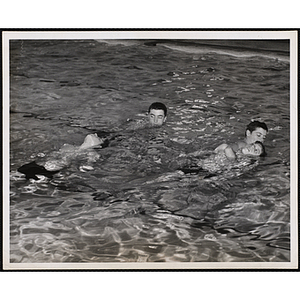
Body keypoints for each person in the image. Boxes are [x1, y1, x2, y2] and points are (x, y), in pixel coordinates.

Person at [80, 102, 168, 149]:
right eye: (152, 116)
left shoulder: (139, 124)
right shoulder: (139, 124)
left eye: (159, 117)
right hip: (107, 139)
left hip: (110, 138)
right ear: (148, 115)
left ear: (165, 119)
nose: (155, 121)